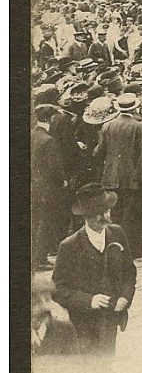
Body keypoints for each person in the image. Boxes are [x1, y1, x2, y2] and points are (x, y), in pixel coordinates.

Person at [51, 184, 136, 356]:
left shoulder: (117, 233)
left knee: (107, 361)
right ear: (86, 217)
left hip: (111, 319)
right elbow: (57, 289)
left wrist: (125, 297)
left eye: (107, 210)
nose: (106, 216)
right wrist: (89, 300)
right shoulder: (69, 246)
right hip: (83, 323)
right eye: (100, 213)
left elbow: (129, 272)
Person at [94, 92, 142, 259]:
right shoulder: (138, 126)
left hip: (110, 176)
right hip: (130, 177)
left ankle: (111, 247)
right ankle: (128, 249)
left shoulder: (107, 126)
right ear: (134, 108)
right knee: (130, 215)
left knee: (113, 214)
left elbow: (100, 151)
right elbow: (141, 152)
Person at [32, 103, 68, 268]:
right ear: (50, 118)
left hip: (34, 185)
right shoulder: (49, 140)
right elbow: (55, 168)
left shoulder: (32, 135)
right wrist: (63, 180)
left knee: (36, 221)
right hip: (47, 188)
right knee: (45, 223)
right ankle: (40, 259)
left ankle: (35, 257)